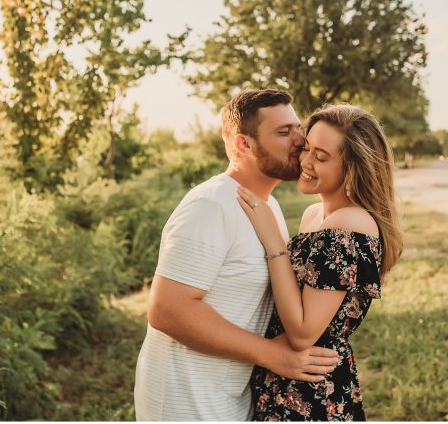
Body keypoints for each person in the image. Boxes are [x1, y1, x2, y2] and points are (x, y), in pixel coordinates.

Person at [134, 90, 340, 421]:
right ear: (244, 144)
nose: (300, 141)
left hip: (230, 397)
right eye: (284, 132)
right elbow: (166, 309)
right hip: (185, 403)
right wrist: (274, 356)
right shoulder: (211, 205)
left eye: (298, 128)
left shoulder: (267, 205)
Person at [236, 104, 403, 421]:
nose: (305, 162)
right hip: (282, 378)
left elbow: (302, 334)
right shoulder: (314, 215)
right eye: (307, 148)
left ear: (352, 168)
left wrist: (274, 242)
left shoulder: (349, 225)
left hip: (311, 391)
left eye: (322, 157)